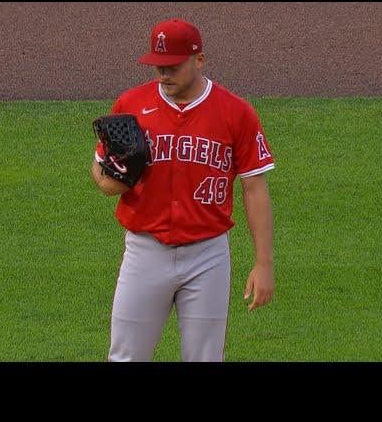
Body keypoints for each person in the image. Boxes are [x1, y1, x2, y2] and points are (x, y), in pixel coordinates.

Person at [90, 18, 275, 362]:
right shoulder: (131, 104)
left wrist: (263, 262)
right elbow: (101, 170)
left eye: (173, 66)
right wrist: (109, 179)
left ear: (199, 60)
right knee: (124, 357)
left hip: (208, 256)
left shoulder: (236, 112)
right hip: (146, 252)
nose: (164, 74)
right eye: (158, 66)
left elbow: (254, 188)